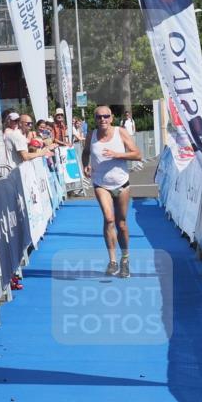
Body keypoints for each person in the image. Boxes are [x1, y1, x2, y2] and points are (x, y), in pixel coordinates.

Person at [81, 106, 141, 278]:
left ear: (112, 118)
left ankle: (125, 259)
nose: (103, 119)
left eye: (106, 116)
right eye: (99, 117)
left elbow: (137, 154)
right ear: (95, 119)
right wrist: (86, 165)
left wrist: (117, 154)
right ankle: (112, 261)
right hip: (101, 184)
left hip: (121, 183)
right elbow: (86, 153)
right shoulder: (91, 135)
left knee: (121, 224)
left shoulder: (120, 132)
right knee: (109, 219)